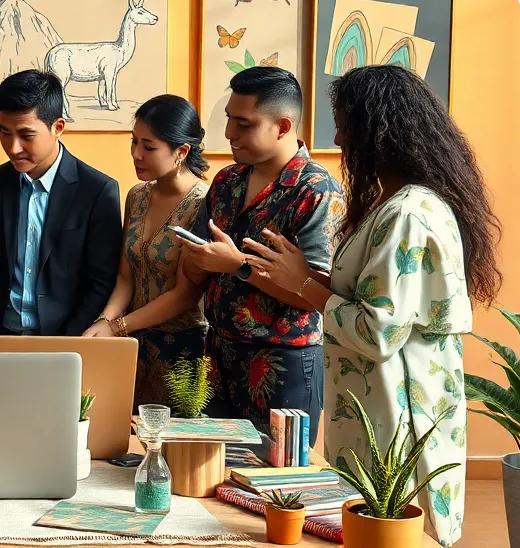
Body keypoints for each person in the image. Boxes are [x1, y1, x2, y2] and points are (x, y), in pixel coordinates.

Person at [245, 65, 496, 547]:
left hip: (397, 412)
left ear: (379, 133)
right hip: (377, 402)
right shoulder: (395, 203)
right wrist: (300, 273)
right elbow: (369, 296)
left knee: (391, 529)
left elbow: (377, 331)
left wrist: (304, 284)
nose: (338, 138)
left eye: (344, 126)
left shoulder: (406, 214)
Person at [175, 66, 343, 446]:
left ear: (282, 127)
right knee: (212, 470)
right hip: (217, 355)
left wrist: (239, 266)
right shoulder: (226, 180)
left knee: (277, 475)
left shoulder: (316, 191)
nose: (229, 133)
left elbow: (317, 294)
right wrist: (199, 259)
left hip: (283, 363)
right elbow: (198, 267)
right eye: (229, 119)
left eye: (244, 124)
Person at [82, 95, 211, 408]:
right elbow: (126, 276)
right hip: (133, 345)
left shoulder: (203, 204)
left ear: (181, 152)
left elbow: (185, 294)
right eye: (134, 141)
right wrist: (103, 321)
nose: (136, 154)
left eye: (149, 147)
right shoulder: (137, 196)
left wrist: (117, 327)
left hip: (183, 351)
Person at [0, 70, 121, 336]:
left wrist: (67, 342)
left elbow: (102, 282)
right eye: (5, 132)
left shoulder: (97, 191)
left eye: (26, 135)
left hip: (66, 339)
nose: (13, 148)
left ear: (58, 128)